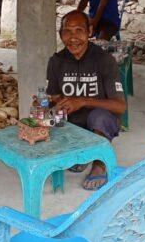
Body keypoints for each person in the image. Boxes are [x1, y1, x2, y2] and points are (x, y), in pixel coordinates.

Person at [46, 10, 126, 190]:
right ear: (60, 34)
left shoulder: (104, 60)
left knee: (100, 117)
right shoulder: (56, 61)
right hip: (73, 122)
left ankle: (99, 163)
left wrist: (82, 101)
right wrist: (54, 103)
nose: (73, 38)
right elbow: (54, 96)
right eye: (67, 31)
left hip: (99, 122)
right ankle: (80, 153)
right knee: (48, 116)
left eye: (79, 30)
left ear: (89, 31)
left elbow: (120, 106)